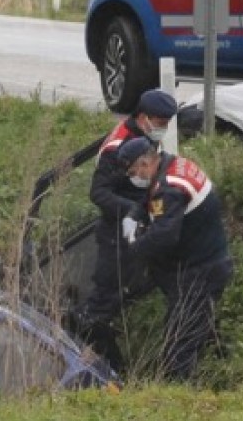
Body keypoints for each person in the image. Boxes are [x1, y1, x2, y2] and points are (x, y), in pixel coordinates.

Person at [70, 88, 178, 373]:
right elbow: (99, 193)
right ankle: (111, 368)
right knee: (101, 307)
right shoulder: (117, 148)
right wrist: (134, 211)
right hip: (117, 234)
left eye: (167, 123)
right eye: (159, 123)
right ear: (143, 118)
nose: (163, 129)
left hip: (140, 230)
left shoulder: (142, 137)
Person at [117, 136, 234, 382]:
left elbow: (164, 236)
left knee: (179, 341)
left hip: (200, 271)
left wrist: (135, 248)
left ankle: (176, 394)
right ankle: (222, 370)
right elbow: (149, 199)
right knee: (197, 324)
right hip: (204, 262)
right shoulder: (172, 165)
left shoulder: (168, 188)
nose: (133, 177)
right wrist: (135, 215)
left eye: (132, 171)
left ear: (145, 163)